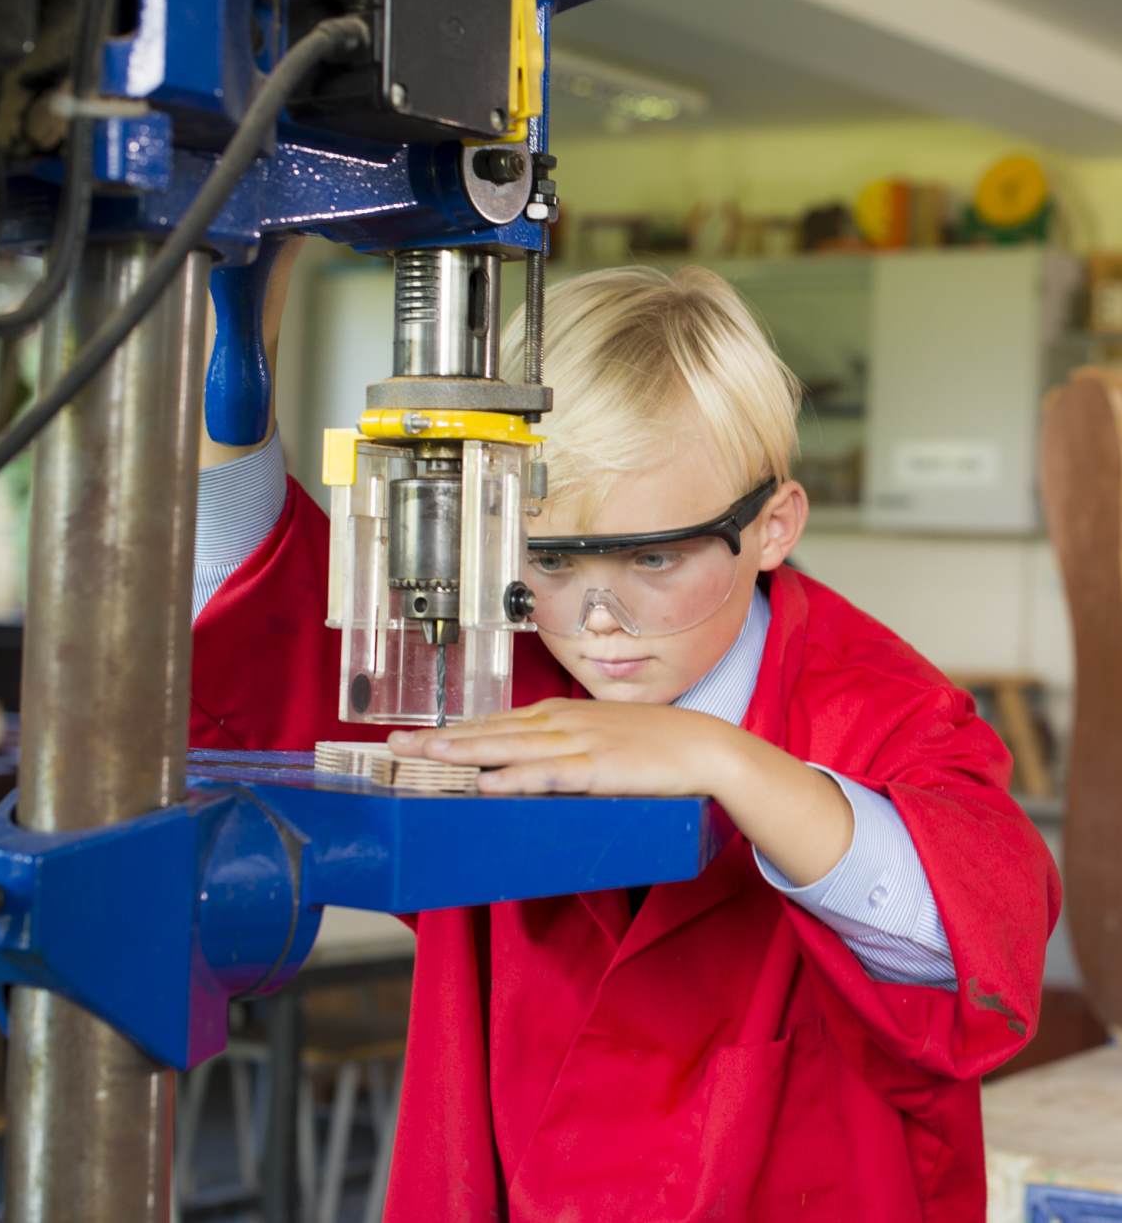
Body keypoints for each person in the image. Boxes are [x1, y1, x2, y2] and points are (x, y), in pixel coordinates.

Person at [189, 249, 1060, 1220]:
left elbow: (966, 944)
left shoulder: (877, 703)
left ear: (773, 525)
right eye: (549, 559)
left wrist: (720, 757)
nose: (598, 618)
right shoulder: (495, 675)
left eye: (652, 557)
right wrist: (235, 384)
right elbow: (259, 617)